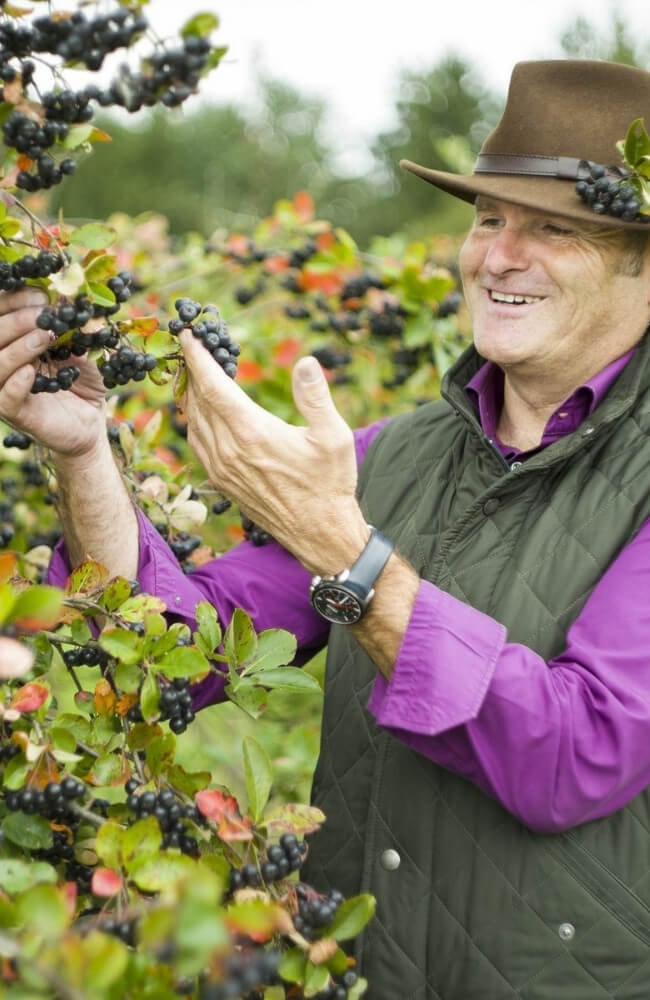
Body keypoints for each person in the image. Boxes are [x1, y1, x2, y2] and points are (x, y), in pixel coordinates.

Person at [3, 57, 650, 998]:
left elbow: (579, 753)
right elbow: (172, 646)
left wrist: (347, 551)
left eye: (554, 229)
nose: (499, 257)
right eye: (488, 219)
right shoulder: (399, 456)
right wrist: (84, 450)